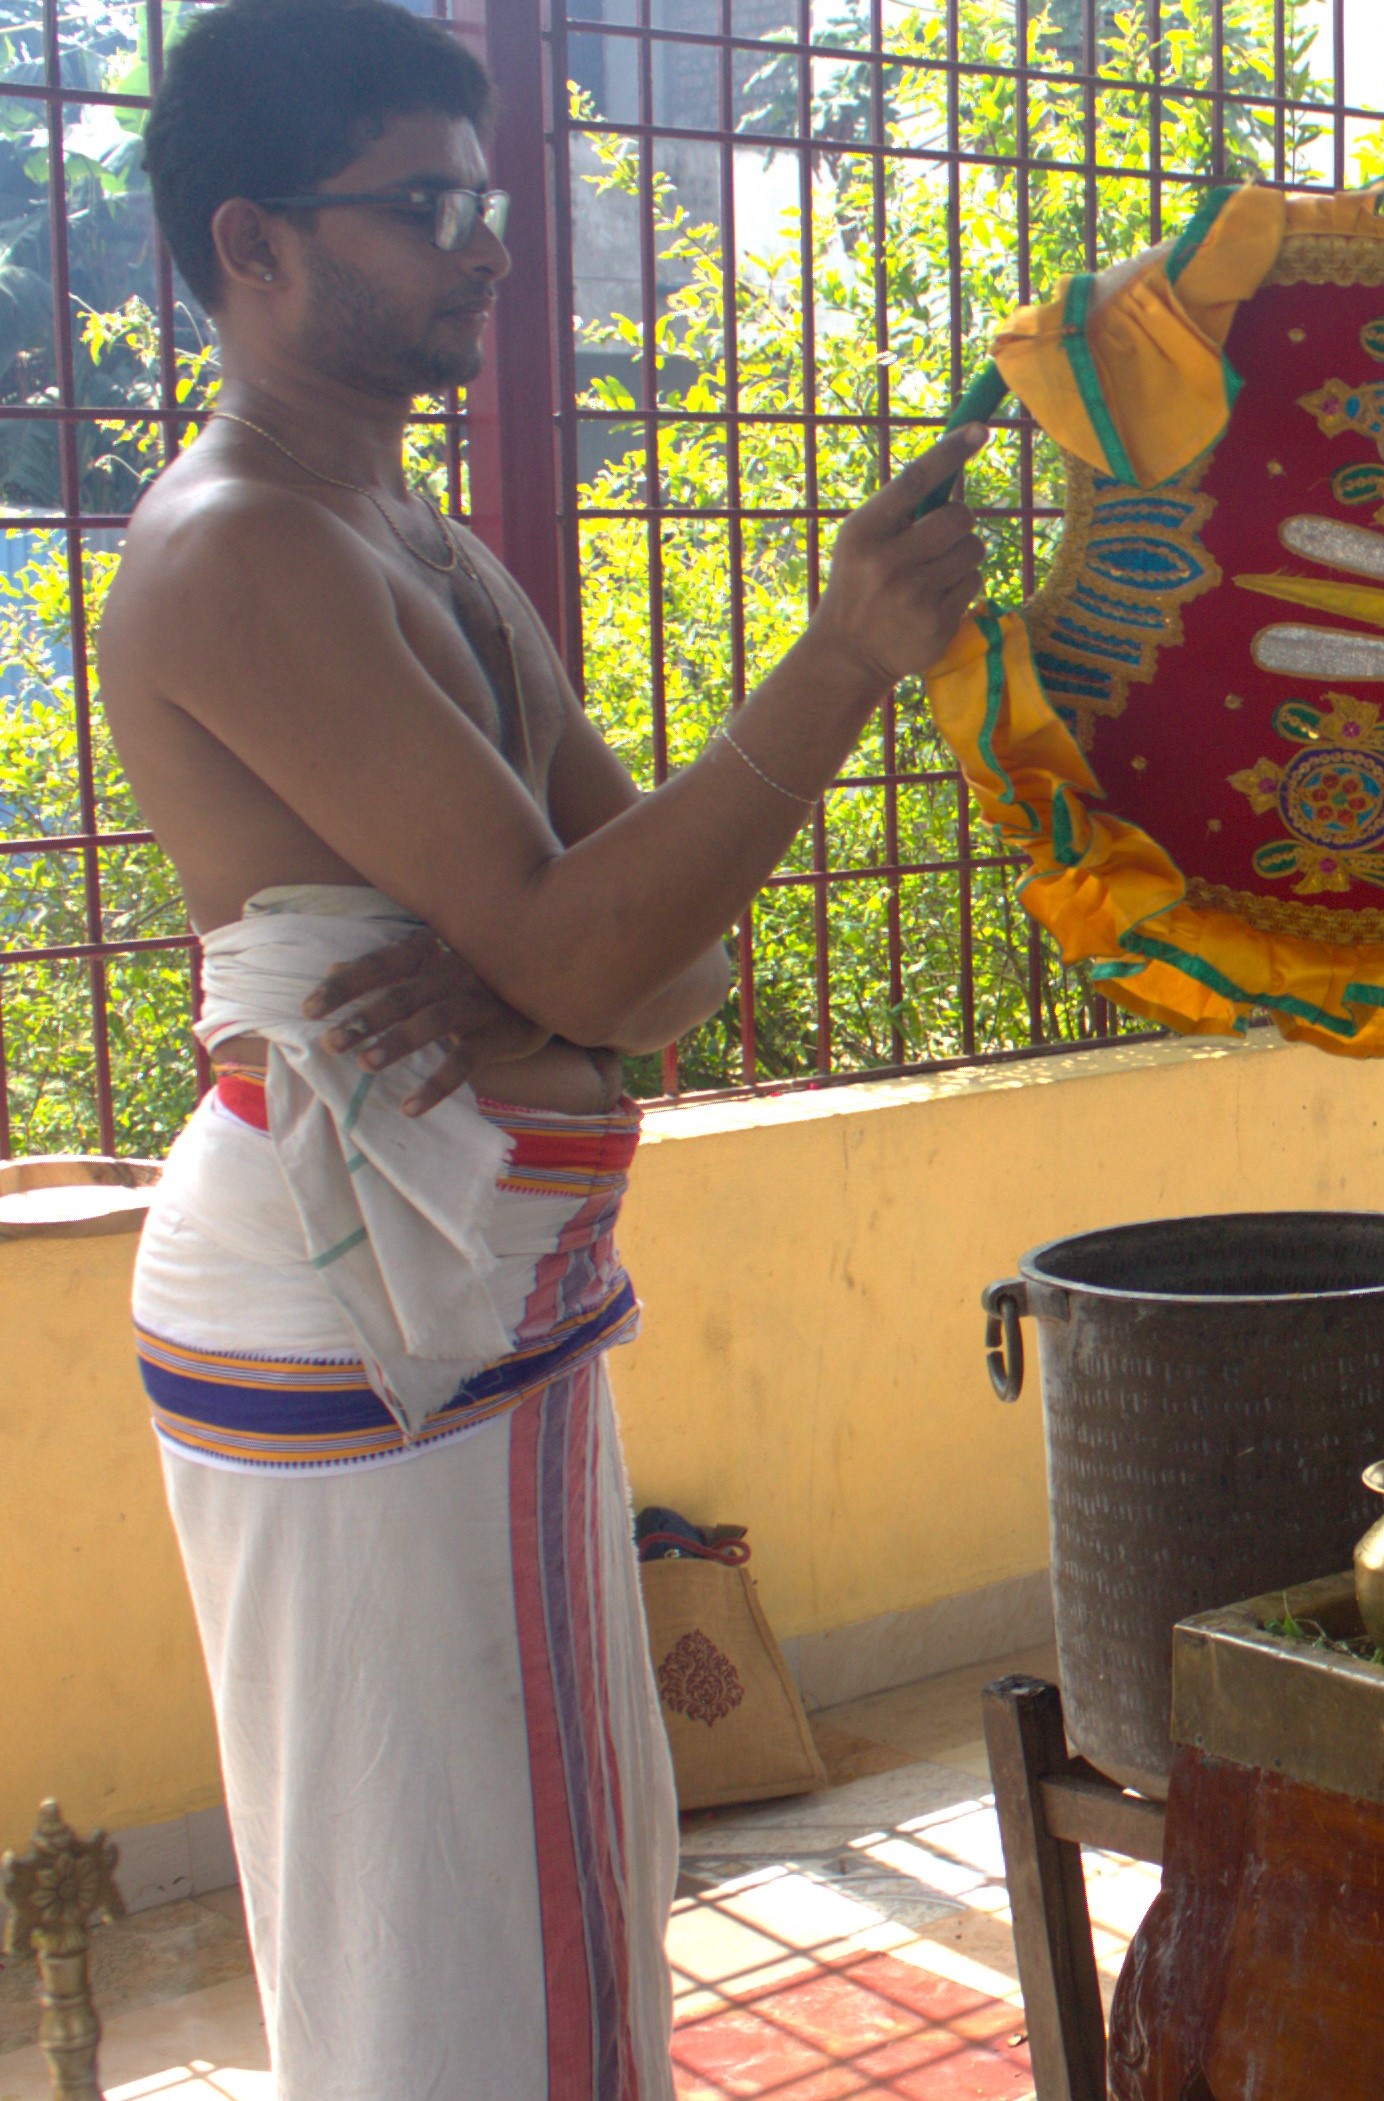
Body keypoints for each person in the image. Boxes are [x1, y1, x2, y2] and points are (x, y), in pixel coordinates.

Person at [102, 3, 985, 2092]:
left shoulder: (416, 541)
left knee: (562, 1874)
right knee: (443, 1935)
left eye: (486, 198)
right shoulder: (248, 552)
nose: (489, 245)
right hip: (356, 1306)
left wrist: (529, 979)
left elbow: (656, 968)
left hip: (480, 1287)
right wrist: (842, 663)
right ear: (253, 243)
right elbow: (610, 942)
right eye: (424, 205)